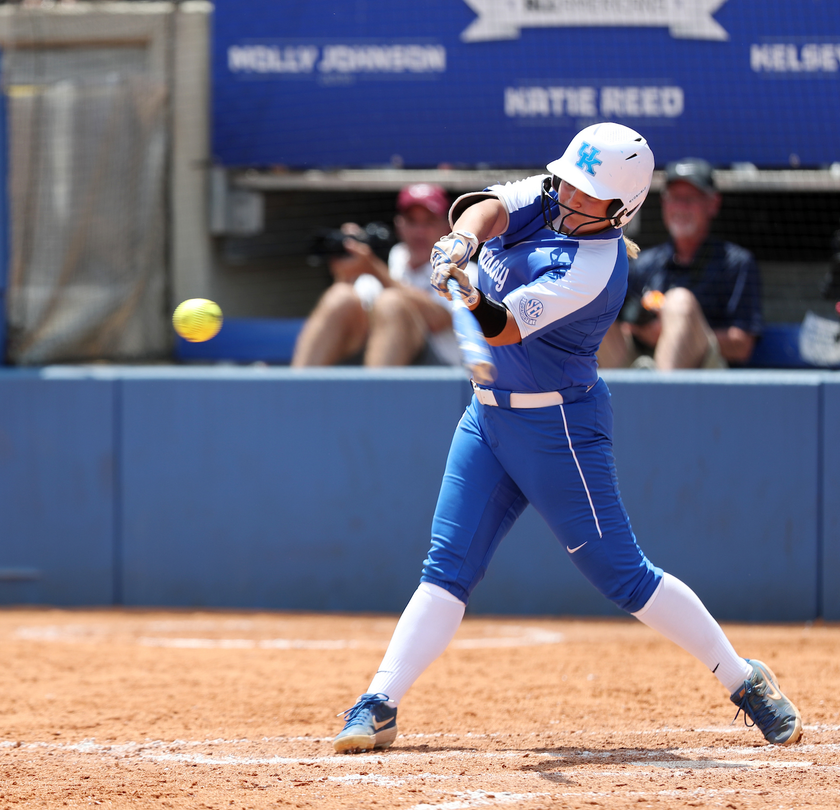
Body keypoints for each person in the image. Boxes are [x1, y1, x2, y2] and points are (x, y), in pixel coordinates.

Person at [331, 123, 802, 755]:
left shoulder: (596, 267)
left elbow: (500, 331)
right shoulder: (553, 192)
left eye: (588, 194)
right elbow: (486, 206)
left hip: (558, 429)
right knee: (446, 567)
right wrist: (463, 239)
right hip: (488, 417)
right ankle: (379, 702)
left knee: (624, 577)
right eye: (570, 184)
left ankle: (745, 681)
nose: (570, 197)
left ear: (621, 210)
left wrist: (469, 292)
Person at [598, 158, 762, 370]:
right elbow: (626, 323)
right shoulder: (644, 262)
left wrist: (675, 330)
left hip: (705, 376)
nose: (680, 207)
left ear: (713, 204)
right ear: (664, 203)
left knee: (679, 303)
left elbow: (742, 345)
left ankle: (665, 400)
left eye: (690, 199)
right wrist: (641, 328)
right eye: (674, 198)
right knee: (596, 299)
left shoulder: (736, 263)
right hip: (639, 364)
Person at [292, 184, 472, 368]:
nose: (419, 231)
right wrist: (345, 269)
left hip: (441, 372)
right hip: (377, 358)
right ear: (399, 225)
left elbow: (439, 319)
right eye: (412, 221)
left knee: (391, 303)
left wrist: (375, 270)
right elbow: (355, 313)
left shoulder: (463, 268)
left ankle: (375, 395)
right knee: (340, 296)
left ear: (446, 227)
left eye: (429, 222)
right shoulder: (390, 260)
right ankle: (292, 392)